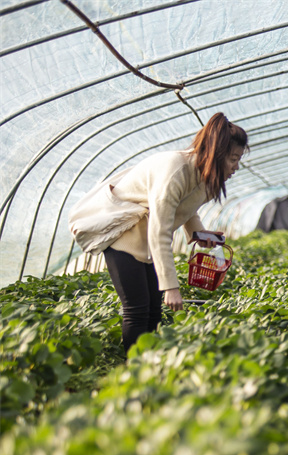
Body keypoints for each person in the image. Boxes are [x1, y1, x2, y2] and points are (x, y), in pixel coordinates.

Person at [70, 112, 248, 351]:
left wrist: (200, 234)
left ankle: (148, 366)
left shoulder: (203, 175)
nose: (236, 167)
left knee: (153, 310)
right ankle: (132, 372)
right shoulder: (175, 171)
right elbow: (160, 231)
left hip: (147, 242)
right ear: (218, 153)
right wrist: (171, 287)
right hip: (125, 238)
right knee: (137, 310)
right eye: (234, 159)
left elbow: (187, 209)